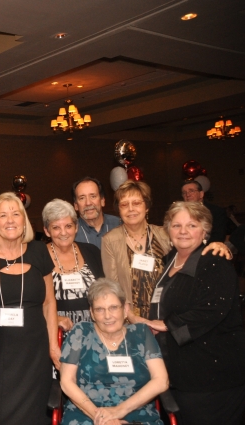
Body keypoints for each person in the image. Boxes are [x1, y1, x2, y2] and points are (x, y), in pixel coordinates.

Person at [0, 192, 59, 424]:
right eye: (3, 215)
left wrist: (53, 347)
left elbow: (48, 303)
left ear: (24, 220)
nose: (10, 220)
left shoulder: (39, 251)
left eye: (16, 214)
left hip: (36, 357)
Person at [148, 202, 245, 424]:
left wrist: (167, 324)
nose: (183, 231)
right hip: (182, 373)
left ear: (205, 231)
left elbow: (211, 310)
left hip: (213, 377)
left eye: (192, 225)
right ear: (168, 230)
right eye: (176, 225)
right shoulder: (170, 259)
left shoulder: (214, 260)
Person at [101, 180, 229, 324]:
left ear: (147, 206)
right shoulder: (110, 240)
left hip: (167, 314)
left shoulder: (165, 234)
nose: (131, 209)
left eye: (136, 203)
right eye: (124, 204)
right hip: (131, 318)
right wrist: (129, 315)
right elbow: (113, 285)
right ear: (118, 209)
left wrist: (217, 245)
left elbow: (190, 252)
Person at [60, 278, 169, 425]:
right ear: (91, 313)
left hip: (136, 412)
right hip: (86, 413)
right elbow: (67, 382)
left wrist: (119, 411)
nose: (107, 316)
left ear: (125, 310)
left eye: (113, 307)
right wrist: (100, 417)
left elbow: (161, 381)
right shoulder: (81, 332)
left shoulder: (141, 333)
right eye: (99, 309)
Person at [42, 199, 104, 331]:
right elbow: (30, 302)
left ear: (76, 228)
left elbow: (104, 292)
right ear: (47, 231)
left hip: (94, 331)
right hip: (57, 333)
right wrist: (53, 318)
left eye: (68, 226)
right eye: (56, 227)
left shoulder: (92, 251)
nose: (63, 233)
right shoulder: (38, 256)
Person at [72, 177, 121, 249]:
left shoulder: (119, 224)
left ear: (102, 201)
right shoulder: (70, 232)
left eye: (93, 196)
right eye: (82, 198)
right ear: (76, 206)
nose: (88, 203)